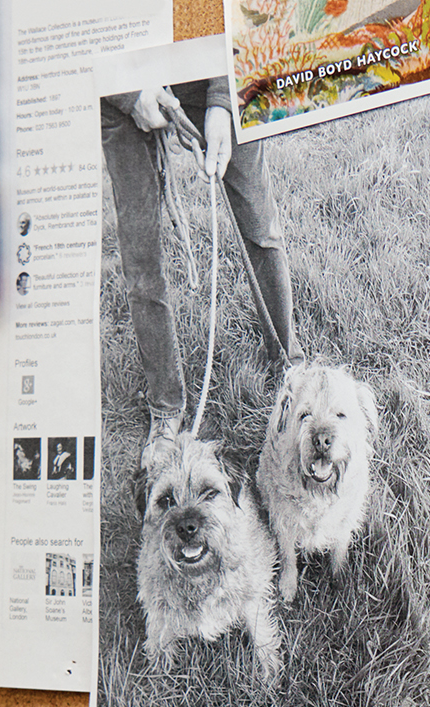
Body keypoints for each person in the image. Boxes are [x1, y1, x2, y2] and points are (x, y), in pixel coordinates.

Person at [101, 78, 296, 465]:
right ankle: (166, 409)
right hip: (122, 82)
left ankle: (289, 365)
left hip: (214, 72)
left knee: (261, 228)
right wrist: (128, 94)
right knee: (140, 260)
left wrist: (223, 102)